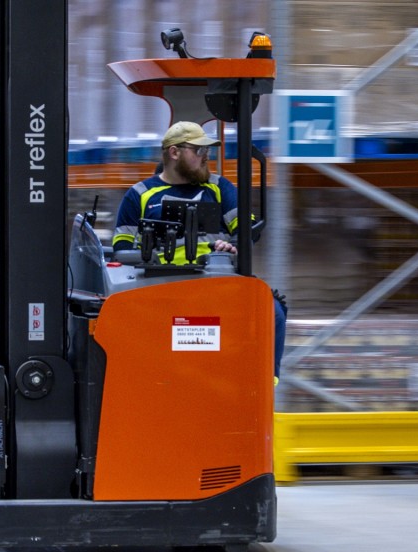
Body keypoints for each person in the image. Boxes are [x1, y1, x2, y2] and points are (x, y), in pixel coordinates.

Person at [112, 120, 287, 385]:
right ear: (174, 153)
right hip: (157, 288)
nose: (206, 157)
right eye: (199, 150)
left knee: (272, 311)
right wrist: (147, 257)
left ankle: (264, 383)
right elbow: (122, 248)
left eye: (207, 151)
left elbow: (248, 229)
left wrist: (233, 247)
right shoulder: (140, 196)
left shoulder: (219, 188)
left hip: (215, 283)